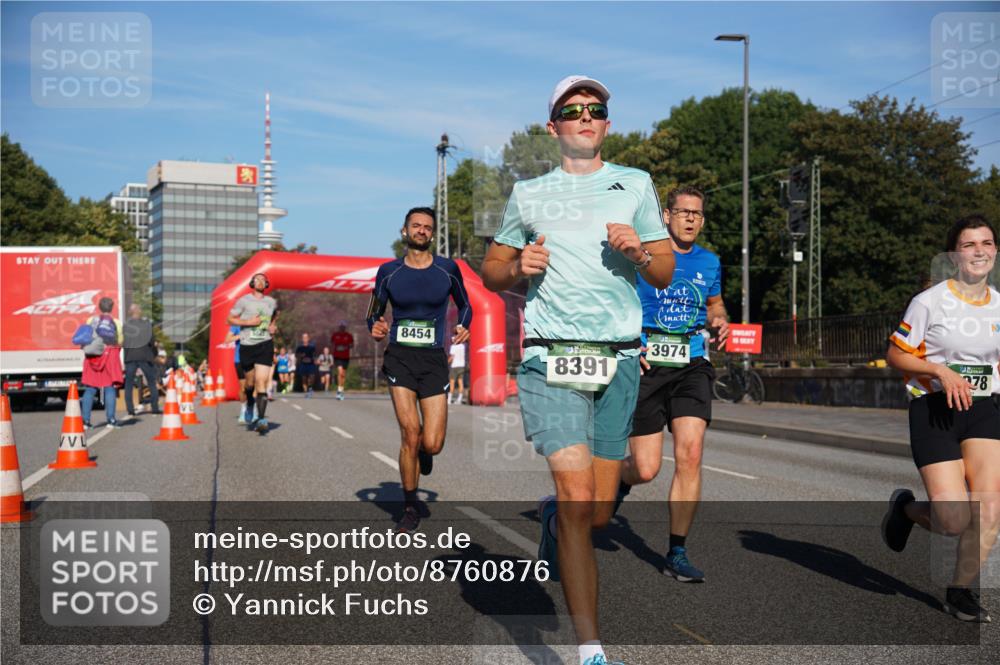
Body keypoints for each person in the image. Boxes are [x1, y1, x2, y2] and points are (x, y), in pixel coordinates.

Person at [481, 75, 674, 665]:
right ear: (554, 126)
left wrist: (639, 252)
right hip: (551, 355)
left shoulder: (635, 184)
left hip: (619, 358)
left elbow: (663, 271)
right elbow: (491, 270)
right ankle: (591, 649)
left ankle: (550, 519)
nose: (586, 116)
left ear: (607, 123)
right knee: (576, 496)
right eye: (573, 110)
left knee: (597, 511)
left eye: (596, 108)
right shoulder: (529, 193)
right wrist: (518, 266)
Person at [882, 214, 1000, 623]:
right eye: (969, 245)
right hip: (934, 409)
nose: (979, 251)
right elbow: (896, 354)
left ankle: (959, 591)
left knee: (989, 507)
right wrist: (939, 371)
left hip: (984, 409)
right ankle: (906, 510)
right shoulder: (930, 301)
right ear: (954, 256)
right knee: (953, 519)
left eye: (986, 243)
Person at [613, 186, 729, 583]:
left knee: (690, 453)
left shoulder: (709, 261)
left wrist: (720, 319)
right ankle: (618, 482)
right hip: (647, 364)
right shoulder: (643, 255)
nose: (691, 219)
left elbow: (714, 303)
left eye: (697, 214)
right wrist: (629, 344)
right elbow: (615, 301)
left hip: (692, 363)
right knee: (645, 469)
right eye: (683, 212)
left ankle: (677, 552)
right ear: (666, 216)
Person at [368, 206, 472, 534]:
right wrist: (375, 327)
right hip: (399, 358)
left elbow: (466, 305)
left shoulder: (447, 269)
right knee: (410, 433)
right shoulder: (389, 271)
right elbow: (374, 311)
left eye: (427, 227)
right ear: (405, 231)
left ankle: (425, 452)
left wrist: (463, 325)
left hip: (433, 360)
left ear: (433, 234)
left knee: (433, 443)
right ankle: (410, 506)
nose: (421, 230)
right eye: (416, 225)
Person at [227, 273, 278, 433]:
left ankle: (261, 419)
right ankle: (250, 403)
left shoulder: (271, 302)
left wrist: (272, 327)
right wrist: (248, 322)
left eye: (263, 280)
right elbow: (230, 319)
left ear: (266, 284)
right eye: (257, 279)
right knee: (249, 384)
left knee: (261, 382)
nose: (260, 282)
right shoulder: (244, 301)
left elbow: (274, 316)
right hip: (247, 346)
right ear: (252, 283)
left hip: (265, 344)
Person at [81, 297, 126, 429]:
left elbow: (85, 336)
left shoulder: (91, 320)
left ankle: (85, 421)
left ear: (99, 307)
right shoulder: (116, 322)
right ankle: (111, 420)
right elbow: (120, 340)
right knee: (109, 387)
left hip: (93, 355)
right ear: (111, 308)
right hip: (109, 356)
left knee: (90, 388)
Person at [122, 303, 160, 417]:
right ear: (140, 311)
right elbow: (152, 342)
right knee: (151, 382)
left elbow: (124, 342)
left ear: (130, 312)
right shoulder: (147, 325)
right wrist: (154, 354)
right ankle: (155, 408)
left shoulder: (126, 326)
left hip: (131, 356)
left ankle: (130, 409)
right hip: (145, 356)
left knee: (129, 384)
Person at [225, 325, 254, 424]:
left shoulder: (256, 324)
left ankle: (252, 408)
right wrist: (241, 336)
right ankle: (243, 410)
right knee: (243, 388)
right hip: (239, 360)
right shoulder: (236, 325)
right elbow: (227, 339)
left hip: (253, 359)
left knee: (252, 385)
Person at [331, 321, 354, 400]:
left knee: (343, 374)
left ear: (345, 327)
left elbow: (352, 345)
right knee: (340, 372)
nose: (342, 328)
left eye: (343, 327)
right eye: (341, 327)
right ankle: (339, 391)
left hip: (345, 357)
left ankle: (341, 390)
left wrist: (346, 346)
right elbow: (332, 344)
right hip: (337, 357)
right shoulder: (335, 335)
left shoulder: (349, 336)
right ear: (339, 327)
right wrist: (334, 351)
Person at [295, 333, 318, 398]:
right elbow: (296, 355)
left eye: (306, 337)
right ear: (302, 339)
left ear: (308, 338)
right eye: (304, 337)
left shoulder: (312, 347)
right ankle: (306, 392)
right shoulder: (300, 347)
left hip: (311, 364)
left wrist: (316, 360)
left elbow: (315, 354)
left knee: (312, 377)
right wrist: (300, 355)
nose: (305, 339)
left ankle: (310, 388)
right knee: (304, 379)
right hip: (303, 364)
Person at [447, 341, 466, 405]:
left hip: (454, 366)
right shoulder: (462, 346)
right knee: (460, 382)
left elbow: (452, 357)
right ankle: (459, 399)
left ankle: (449, 400)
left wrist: (446, 363)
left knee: (452, 383)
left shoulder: (453, 346)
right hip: (461, 366)